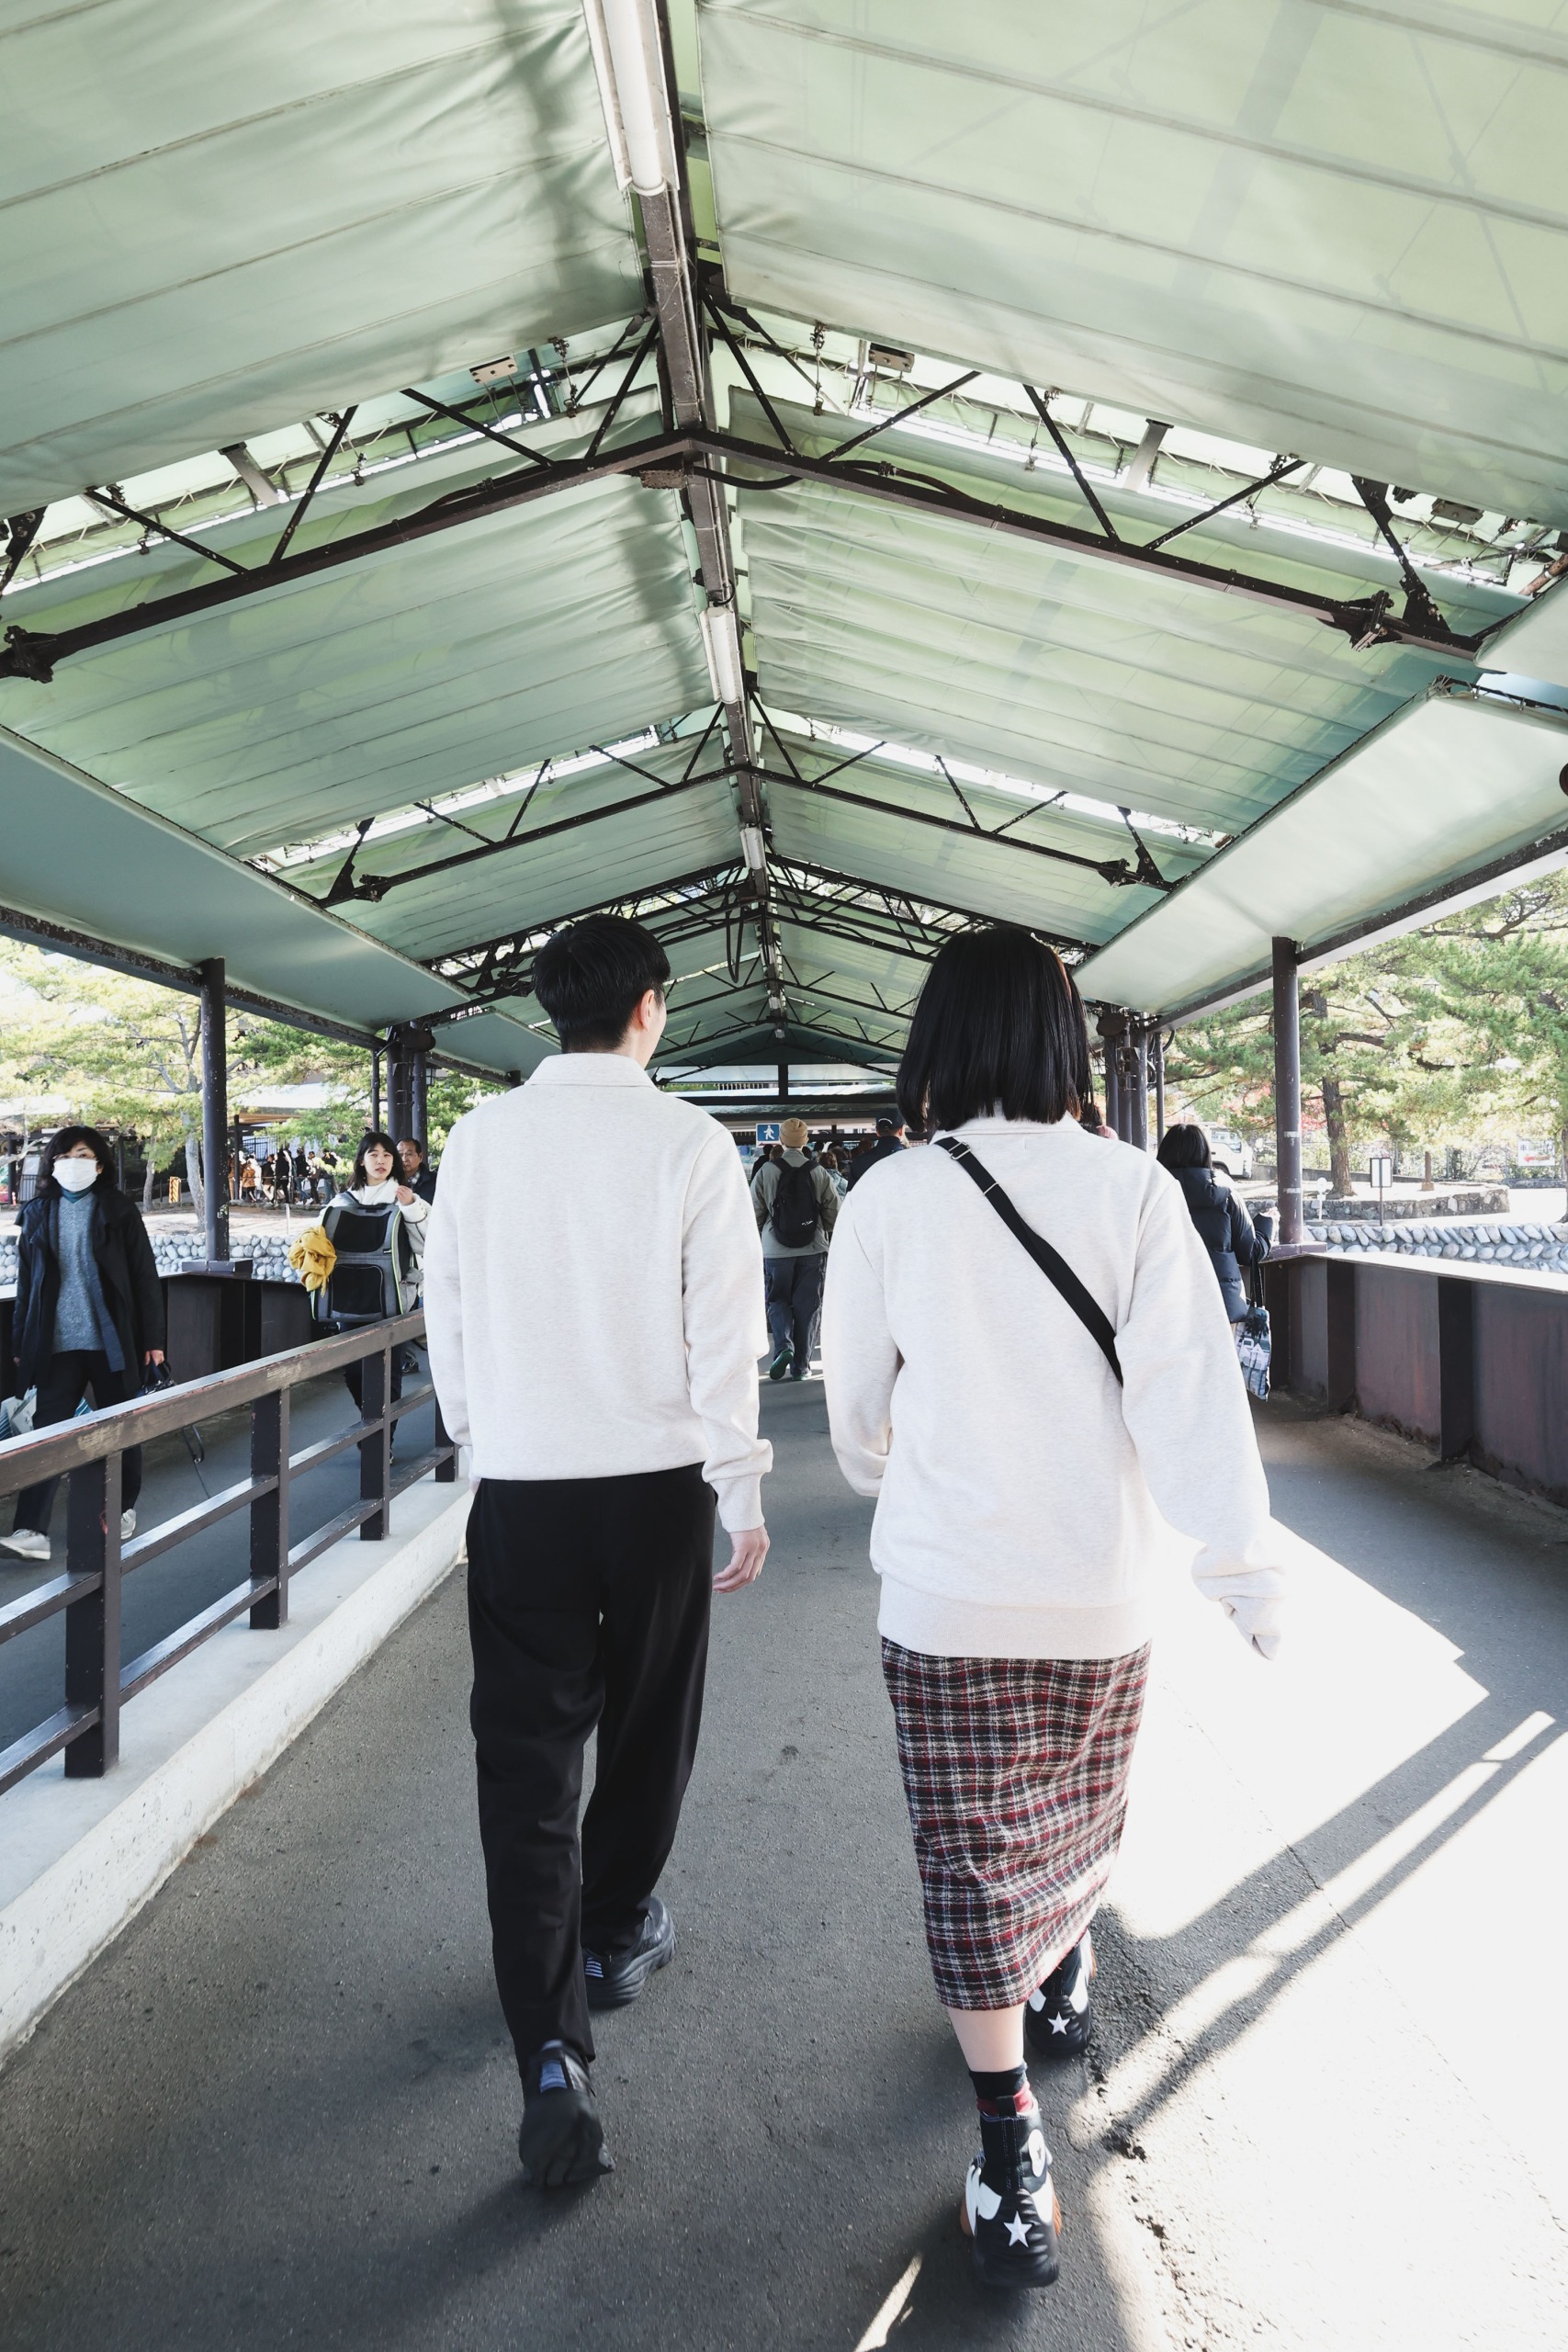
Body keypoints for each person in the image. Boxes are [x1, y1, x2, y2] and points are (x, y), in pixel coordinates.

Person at [821, 927, 1285, 2295]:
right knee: (1076, 1817)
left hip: (947, 1599)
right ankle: (1061, 1971)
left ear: (938, 1038)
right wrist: (1242, 1568)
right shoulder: (1132, 1188)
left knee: (968, 1856)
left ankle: (1008, 2142)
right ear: (1059, 1040)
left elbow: (856, 1417)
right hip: (1097, 1596)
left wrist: (915, 1467)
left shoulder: (890, 1196)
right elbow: (1191, 1396)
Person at [423, 913, 771, 2194]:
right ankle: (616, 1925)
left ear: (549, 1011)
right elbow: (723, 1333)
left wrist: (483, 1438)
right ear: (650, 1008)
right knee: (649, 1719)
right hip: (657, 1488)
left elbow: (447, 1304)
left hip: (524, 1488)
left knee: (524, 1764)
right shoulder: (689, 1142)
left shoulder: (479, 1138)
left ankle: (551, 2056)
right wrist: (740, 1487)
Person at [1, 1125, 166, 1561]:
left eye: (83, 1154)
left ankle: (122, 1507)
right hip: (56, 1344)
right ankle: (32, 1531)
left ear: (99, 1164)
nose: (73, 1162)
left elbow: (144, 1277)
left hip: (112, 1341)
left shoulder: (118, 1209)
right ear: (52, 1164)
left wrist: (154, 1339)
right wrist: (21, 1341)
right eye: (64, 1156)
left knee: (122, 1425)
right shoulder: (37, 1212)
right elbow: (27, 1287)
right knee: (46, 1433)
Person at [321, 1132, 430, 1441]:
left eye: (387, 1155)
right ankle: (372, 1426)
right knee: (353, 1371)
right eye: (373, 1154)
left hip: (392, 1302)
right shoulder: (341, 1202)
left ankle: (382, 1442)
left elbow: (429, 1244)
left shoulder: (407, 1199)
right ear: (361, 1160)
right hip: (350, 1301)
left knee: (388, 1373)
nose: (381, 1160)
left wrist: (411, 1208)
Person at [1156, 1125, 1272, 1325]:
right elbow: (1250, 1253)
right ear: (1205, 1154)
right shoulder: (1225, 1193)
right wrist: (1267, 1222)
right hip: (1221, 1308)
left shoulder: (1150, 1194)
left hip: (1164, 1306)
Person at [751, 1116, 839, 1381]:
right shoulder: (818, 1171)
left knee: (777, 1299)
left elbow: (754, 1211)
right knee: (808, 1306)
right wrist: (821, 1230)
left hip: (776, 1250)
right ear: (806, 1141)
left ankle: (784, 1347)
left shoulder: (767, 1171)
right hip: (812, 1248)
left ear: (780, 1140)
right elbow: (833, 1210)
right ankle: (802, 1367)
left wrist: (763, 1235)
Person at [847, 1114, 906, 1187]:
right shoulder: (910, 1159)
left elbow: (851, 1192)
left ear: (877, 1131)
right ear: (902, 1130)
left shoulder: (858, 1163)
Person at [396, 1136, 438, 1204]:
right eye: (400, 1155)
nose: (404, 1159)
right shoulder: (389, 1181)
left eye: (409, 1154)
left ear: (420, 1157)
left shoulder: (436, 1182)